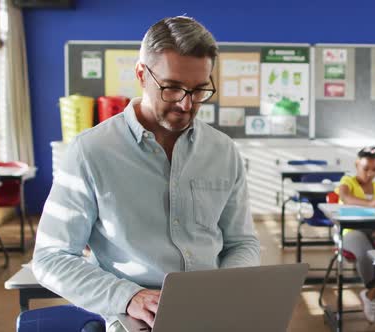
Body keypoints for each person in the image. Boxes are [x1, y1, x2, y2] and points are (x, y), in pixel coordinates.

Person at [33, 16, 260, 331]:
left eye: (199, 90)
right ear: (141, 74)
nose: (186, 104)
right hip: (136, 318)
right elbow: (51, 257)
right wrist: (129, 297)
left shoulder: (223, 151)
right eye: (172, 88)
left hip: (211, 314)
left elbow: (242, 243)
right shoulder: (90, 152)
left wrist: (227, 289)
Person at [335, 146, 375, 322]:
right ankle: (373, 293)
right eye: (366, 169)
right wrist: (369, 203)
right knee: (366, 255)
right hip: (351, 231)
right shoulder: (348, 181)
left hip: (374, 232)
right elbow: (345, 198)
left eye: (374, 169)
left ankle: (371, 295)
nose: (370, 173)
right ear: (357, 164)